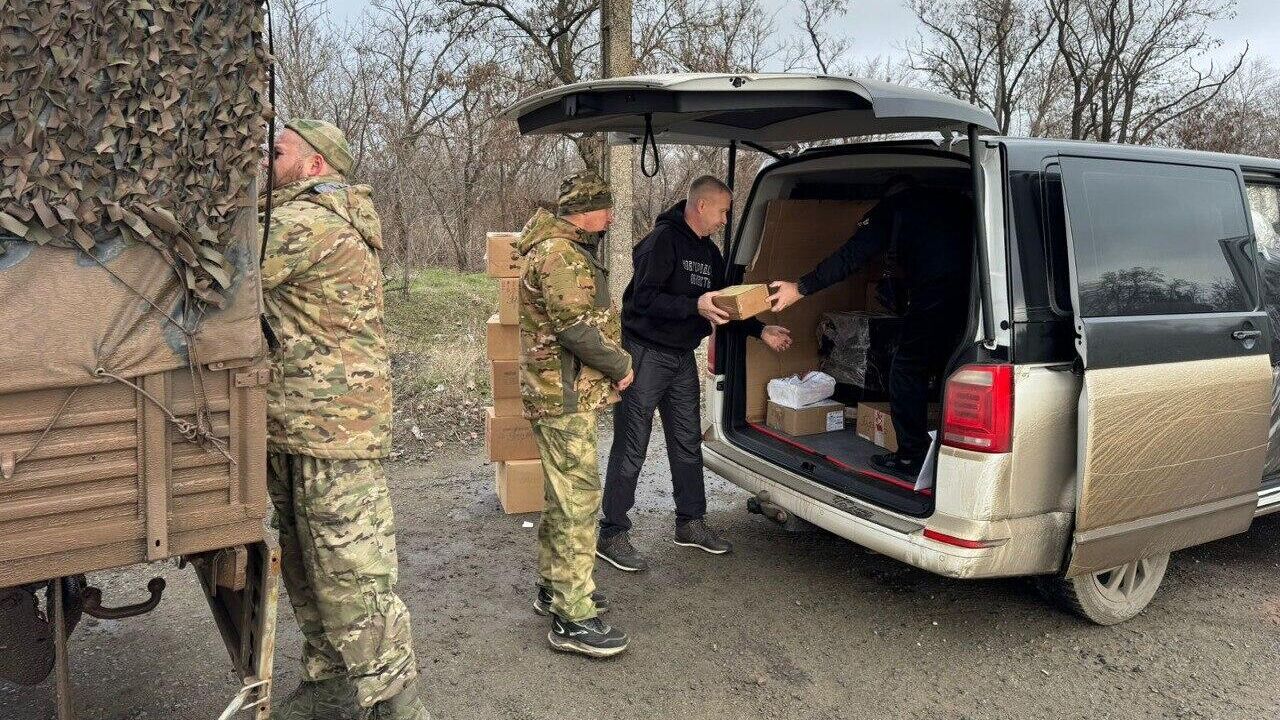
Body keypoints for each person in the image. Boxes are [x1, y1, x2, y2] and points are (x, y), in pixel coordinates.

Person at [260, 119, 427, 720]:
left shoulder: (303, 224)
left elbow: (219, 271)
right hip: (301, 426)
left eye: (276, 152)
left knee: (355, 581)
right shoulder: (303, 217)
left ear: (312, 166)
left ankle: (396, 706)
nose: (264, 160)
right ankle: (330, 686)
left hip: (334, 433)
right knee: (307, 572)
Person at [597, 176, 793, 573]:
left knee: (687, 441)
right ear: (701, 206)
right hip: (645, 354)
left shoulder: (711, 253)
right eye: (722, 211)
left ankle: (690, 523)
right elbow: (642, 301)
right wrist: (694, 305)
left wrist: (760, 330)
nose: (725, 220)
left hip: (682, 357)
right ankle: (612, 532)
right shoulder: (661, 241)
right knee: (632, 445)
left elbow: (723, 306)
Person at [767, 175, 973, 478]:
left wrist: (800, 288)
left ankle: (912, 457)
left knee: (905, 370)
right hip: (975, 299)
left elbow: (852, 256)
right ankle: (952, 452)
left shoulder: (893, 208)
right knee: (953, 367)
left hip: (934, 295)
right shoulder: (961, 203)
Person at [516, 169, 636, 658]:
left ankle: (555, 588)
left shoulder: (557, 250)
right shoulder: (561, 256)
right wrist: (621, 365)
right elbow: (575, 329)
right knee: (577, 501)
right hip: (563, 396)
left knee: (561, 495)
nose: (610, 218)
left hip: (561, 394)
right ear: (585, 212)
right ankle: (572, 616)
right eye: (606, 209)